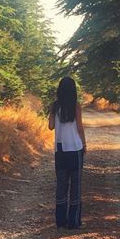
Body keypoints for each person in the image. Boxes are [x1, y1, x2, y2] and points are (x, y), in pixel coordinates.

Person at [48, 76, 86, 229]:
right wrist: (84, 144)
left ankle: (60, 220)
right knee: (76, 185)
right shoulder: (76, 106)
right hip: (75, 148)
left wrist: (52, 115)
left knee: (61, 185)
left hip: (60, 150)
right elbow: (80, 127)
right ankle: (74, 221)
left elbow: (50, 127)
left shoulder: (55, 106)